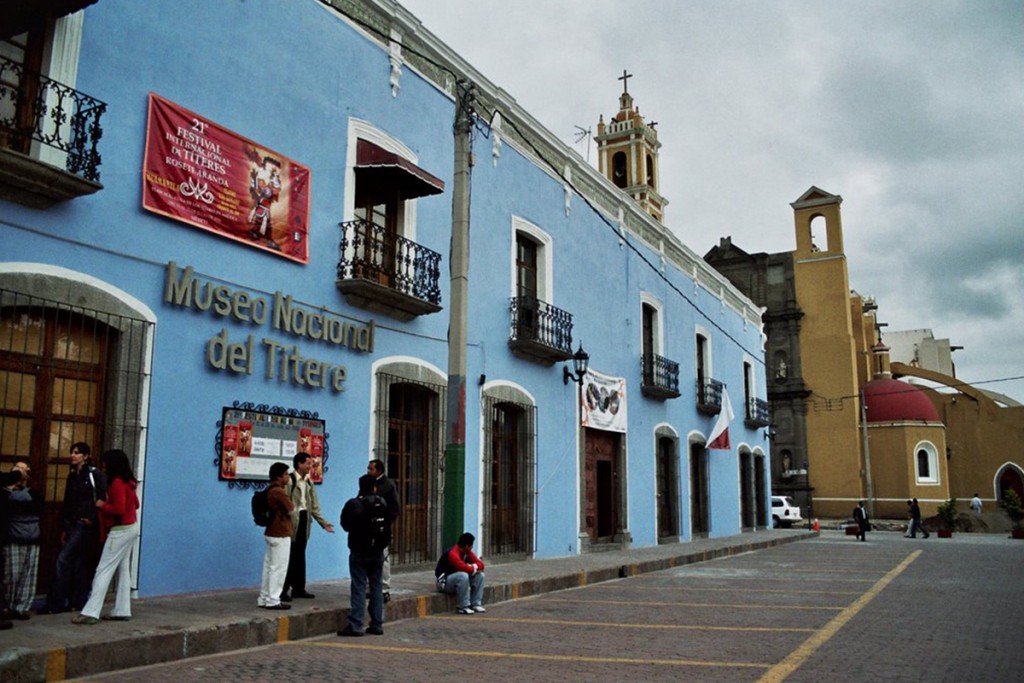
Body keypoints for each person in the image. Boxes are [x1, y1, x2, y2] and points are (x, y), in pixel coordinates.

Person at [72, 450, 140, 625]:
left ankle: (91, 612)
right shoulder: (128, 482)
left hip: (120, 530)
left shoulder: (116, 483)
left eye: (105, 462)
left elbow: (118, 509)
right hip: (131, 527)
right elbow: (136, 504)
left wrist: (102, 504)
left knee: (103, 569)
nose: (103, 465)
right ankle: (122, 609)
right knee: (124, 569)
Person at [44, 442, 107, 614]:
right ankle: (76, 600)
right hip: (71, 523)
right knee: (78, 562)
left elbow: (103, 499)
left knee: (63, 559)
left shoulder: (95, 475)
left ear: (85, 456)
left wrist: (92, 519)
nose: (73, 455)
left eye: (77, 453)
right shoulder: (72, 477)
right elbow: (67, 502)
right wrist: (64, 526)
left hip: (84, 524)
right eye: (72, 452)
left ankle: (55, 603)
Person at [338, 474, 391, 637]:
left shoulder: (354, 504)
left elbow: (345, 525)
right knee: (376, 587)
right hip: (378, 552)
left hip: (359, 552)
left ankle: (355, 625)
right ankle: (376, 623)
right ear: (374, 487)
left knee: (359, 586)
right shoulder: (382, 502)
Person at [281, 452, 334, 602]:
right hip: (292, 520)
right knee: (289, 556)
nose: (310, 466)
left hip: (305, 519)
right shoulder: (290, 481)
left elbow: (314, 505)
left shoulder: (309, 482)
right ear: (299, 464)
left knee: (300, 555)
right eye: (308, 464)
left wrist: (323, 523)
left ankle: (299, 588)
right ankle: (283, 590)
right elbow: (284, 502)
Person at [3, 462, 43, 620]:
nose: (22, 473)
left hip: (32, 538)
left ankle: (22, 607)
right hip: (13, 538)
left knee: (29, 576)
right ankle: (8, 606)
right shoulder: (4, 492)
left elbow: (37, 507)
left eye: (25, 469)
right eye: (18, 469)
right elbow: (9, 508)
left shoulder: (34, 492)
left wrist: (20, 503)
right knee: (11, 575)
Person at [257, 462, 293, 610]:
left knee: (269, 566)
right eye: (285, 474)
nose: (287, 477)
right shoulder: (279, 491)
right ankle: (273, 599)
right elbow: (291, 509)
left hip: (270, 531)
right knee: (279, 567)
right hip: (280, 532)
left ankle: (264, 597)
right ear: (279, 476)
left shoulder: (269, 489)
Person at [368, 459, 400, 603]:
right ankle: (372, 586)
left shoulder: (388, 485)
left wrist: (386, 521)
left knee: (384, 558)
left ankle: (384, 588)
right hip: (369, 527)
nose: (368, 471)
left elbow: (394, 507)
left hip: (382, 527)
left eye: (371, 469)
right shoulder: (368, 483)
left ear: (379, 470)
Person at [435, 532, 486, 614]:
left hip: (458, 580)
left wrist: (473, 568)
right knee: (463, 575)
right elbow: (463, 568)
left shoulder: (467, 552)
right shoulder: (453, 554)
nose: (472, 547)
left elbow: (481, 564)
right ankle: (463, 606)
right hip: (444, 583)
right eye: (472, 545)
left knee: (480, 576)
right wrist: (474, 568)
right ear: (466, 546)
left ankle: (475, 604)